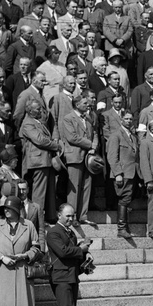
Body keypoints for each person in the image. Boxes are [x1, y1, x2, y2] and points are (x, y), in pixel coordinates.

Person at [46, 202, 90, 306]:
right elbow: (63, 252)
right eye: (68, 216)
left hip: (70, 275)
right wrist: (80, 249)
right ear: (59, 215)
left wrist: (84, 251)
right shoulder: (53, 232)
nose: (71, 219)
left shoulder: (69, 232)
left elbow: (70, 252)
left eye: (73, 216)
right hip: (61, 277)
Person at [60, 94, 97, 225]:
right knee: (74, 188)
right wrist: (89, 144)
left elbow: (95, 133)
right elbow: (72, 137)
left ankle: (83, 215)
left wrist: (94, 146)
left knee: (87, 187)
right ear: (77, 105)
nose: (88, 105)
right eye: (85, 103)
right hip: (75, 156)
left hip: (88, 157)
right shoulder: (68, 118)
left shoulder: (88, 118)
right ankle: (72, 217)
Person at [107, 109, 139, 237]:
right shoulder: (116, 135)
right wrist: (118, 173)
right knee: (124, 199)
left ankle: (125, 227)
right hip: (123, 173)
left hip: (133, 173)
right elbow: (112, 156)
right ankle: (121, 228)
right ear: (121, 119)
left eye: (131, 119)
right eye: (126, 119)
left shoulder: (133, 137)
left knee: (128, 199)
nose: (129, 121)